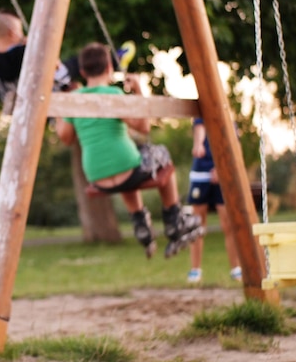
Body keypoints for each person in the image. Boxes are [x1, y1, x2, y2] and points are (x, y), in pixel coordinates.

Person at [54, 42, 203, 258]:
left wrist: (60, 108)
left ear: (83, 72)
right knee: (160, 153)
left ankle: (140, 222)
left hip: (96, 175)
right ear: (109, 68)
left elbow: (66, 138)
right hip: (127, 167)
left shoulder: (74, 100)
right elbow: (143, 127)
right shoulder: (114, 93)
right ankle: (173, 218)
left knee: (129, 162)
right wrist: (138, 90)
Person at [186, 118, 242, 283]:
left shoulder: (229, 120)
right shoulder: (201, 117)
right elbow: (199, 129)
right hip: (200, 174)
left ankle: (236, 269)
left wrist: (222, 167)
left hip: (222, 175)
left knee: (228, 223)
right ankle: (195, 270)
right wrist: (198, 144)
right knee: (198, 223)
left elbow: (234, 147)